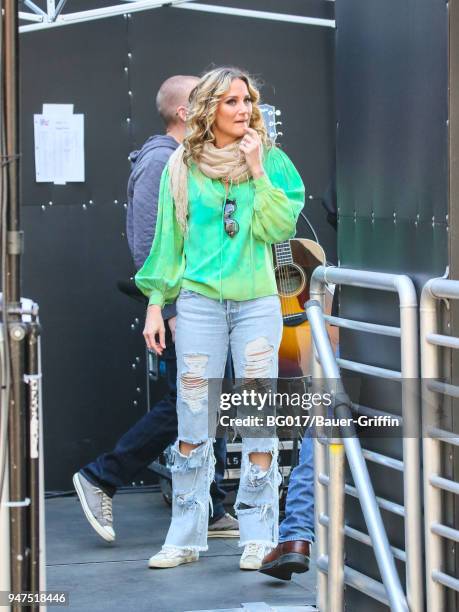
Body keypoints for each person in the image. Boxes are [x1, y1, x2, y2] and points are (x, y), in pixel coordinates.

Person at [135, 66, 305, 571]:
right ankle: (185, 535)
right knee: (192, 420)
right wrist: (154, 304)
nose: (243, 110)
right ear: (209, 108)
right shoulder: (180, 166)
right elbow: (169, 242)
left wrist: (255, 169)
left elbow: (279, 228)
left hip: (256, 304)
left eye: (247, 100)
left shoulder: (272, 161)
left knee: (256, 420)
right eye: (231, 101)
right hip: (198, 304)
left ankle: (258, 535)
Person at [72, 75, 238, 545]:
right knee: (190, 402)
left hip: (203, 305)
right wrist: (164, 309)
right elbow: (148, 245)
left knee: (207, 403)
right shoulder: (161, 164)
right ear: (186, 113)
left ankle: (207, 506)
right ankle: (101, 476)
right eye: (206, 99)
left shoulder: (189, 161)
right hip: (182, 309)